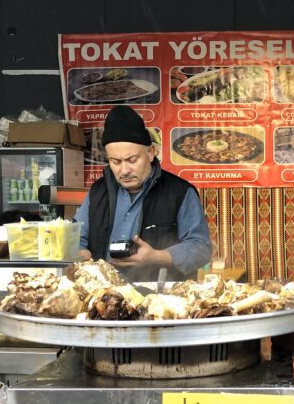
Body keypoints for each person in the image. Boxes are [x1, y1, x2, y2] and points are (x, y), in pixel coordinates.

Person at [74, 105, 212, 281]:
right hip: (103, 293)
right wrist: (80, 254)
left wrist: (156, 256)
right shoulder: (97, 191)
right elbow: (77, 239)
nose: (124, 170)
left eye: (132, 160)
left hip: (159, 298)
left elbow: (201, 249)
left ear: (151, 153)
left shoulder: (179, 192)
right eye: (115, 161)